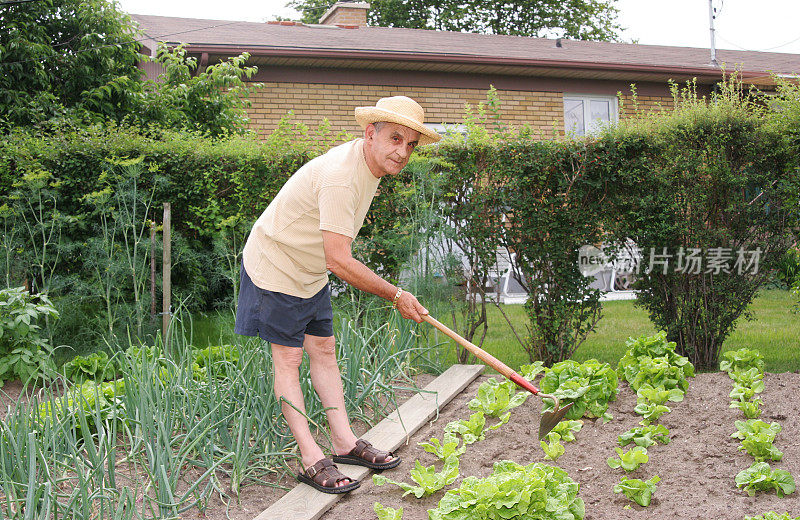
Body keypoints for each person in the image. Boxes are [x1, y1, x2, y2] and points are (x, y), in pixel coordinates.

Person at [234, 96, 441, 494]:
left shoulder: (369, 169)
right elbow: (339, 260)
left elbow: (330, 256)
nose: (403, 152)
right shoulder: (340, 176)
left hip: (308, 269)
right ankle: (310, 457)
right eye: (395, 139)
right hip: (276, 266)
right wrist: (396, 294)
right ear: (370, 134)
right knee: (289, 357)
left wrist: (393, 293)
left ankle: (344, 443)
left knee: (324, 350)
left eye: (411, 144)